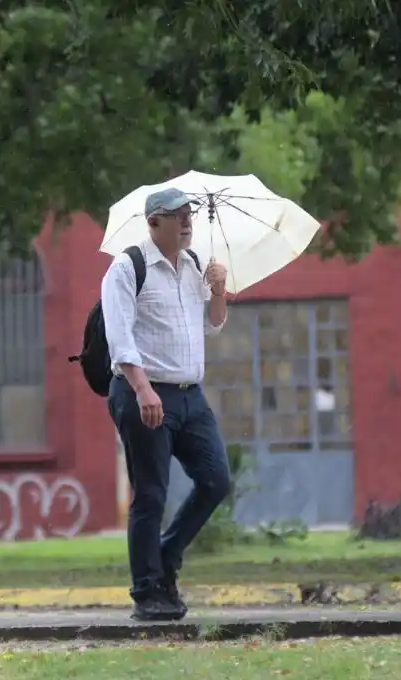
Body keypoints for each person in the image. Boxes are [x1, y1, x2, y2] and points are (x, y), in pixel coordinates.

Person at [101, 187, 231, 621]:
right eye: (177, 216)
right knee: (151, 494)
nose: (187, 221)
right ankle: (147, 591)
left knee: (215, 480)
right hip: (144, 392)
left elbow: (211, 326)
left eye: (189, 214)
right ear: (154, 223)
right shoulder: (127, 267)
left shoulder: (194, 265)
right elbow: (119, 340)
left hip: (190, 396)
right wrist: (142, 389)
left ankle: (166, 555)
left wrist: (218, 290)